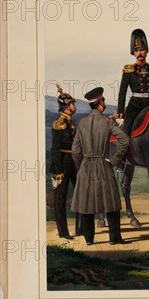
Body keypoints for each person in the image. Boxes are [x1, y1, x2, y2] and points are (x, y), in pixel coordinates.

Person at [71, 87, 130, 245]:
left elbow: (75, 151)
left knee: (86, 205)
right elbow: (125, 140)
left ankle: (89, 240)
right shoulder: (106, 122)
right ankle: (114, 239)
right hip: (103, 164)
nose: (104, 103)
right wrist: (115, 159)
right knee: (111, 204)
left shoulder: (82, 123)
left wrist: (80, 166)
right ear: (100, 104)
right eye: (103, 101)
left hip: (85, 166)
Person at [49, 84, 82, 240]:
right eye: (72, 104)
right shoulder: (59, 124)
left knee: (80, 194)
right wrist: (58, 171)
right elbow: (55, 150)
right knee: (60, 199)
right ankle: (63, 232)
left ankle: (80, 228)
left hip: (73, 161)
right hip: (62, 163)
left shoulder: (70, 122)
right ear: (66, 107)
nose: (74, 106)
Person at [116, 28, 149, 137]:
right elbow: (122, 94)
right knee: (125, 135)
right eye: (137, 50)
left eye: (142, 49)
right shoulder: (129, 71)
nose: (140, 53)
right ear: (133, 53)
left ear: (146, 51)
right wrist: (120, 115)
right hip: (135, 105)